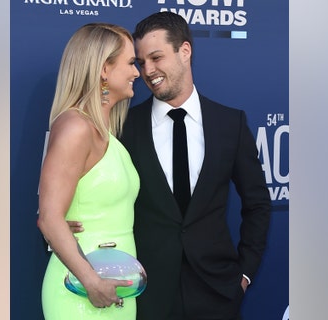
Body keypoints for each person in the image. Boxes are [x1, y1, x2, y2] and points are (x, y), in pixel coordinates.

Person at [70, 12, 272, 320]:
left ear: (185, 51)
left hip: (218, 291)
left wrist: (244, 274)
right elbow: (86, 189)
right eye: (140, 62)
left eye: (156, 57)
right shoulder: (122, 126)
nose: (148, 71)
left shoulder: (230, 123)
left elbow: (257, 203)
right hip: (146, 293)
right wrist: (65, 221)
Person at [37, 22, 140, 320]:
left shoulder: (107, 133)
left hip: (114, 290)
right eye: (131, 63)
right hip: (80, 290)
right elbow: (49, 218)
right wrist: (91, 281)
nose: (137, 73)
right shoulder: (75, 127)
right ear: (104, 69)